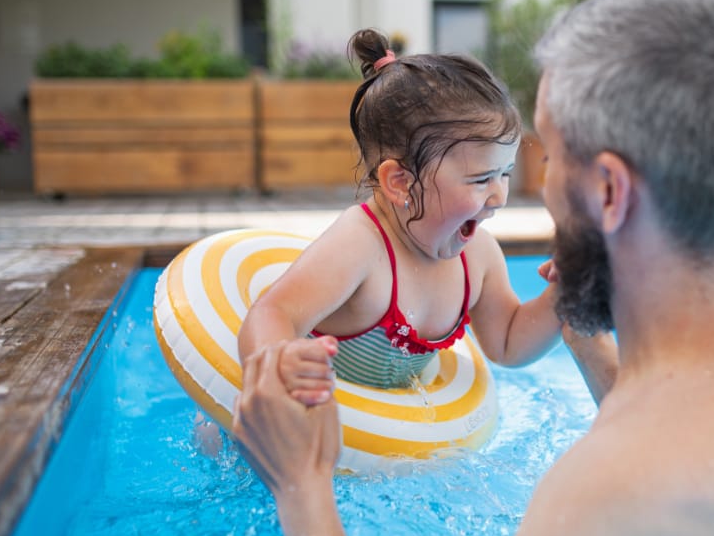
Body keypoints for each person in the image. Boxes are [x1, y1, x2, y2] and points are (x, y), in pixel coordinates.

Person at [232, 0, 714, 536]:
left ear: (608, 191)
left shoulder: (608, 498)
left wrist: (303, 489)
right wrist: (582, 325)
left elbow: (655, 478)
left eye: (547, 156)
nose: (514, 192)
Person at [237, 29, 562, 407]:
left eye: (504, 174)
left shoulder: (478, 257)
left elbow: (508, 341)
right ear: (400, 182)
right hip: (317, 421)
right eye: (481, 179)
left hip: (383, 441)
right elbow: (274, 311)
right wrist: (280, 364)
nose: (500, 197)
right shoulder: (361, 245)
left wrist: (563, 293)